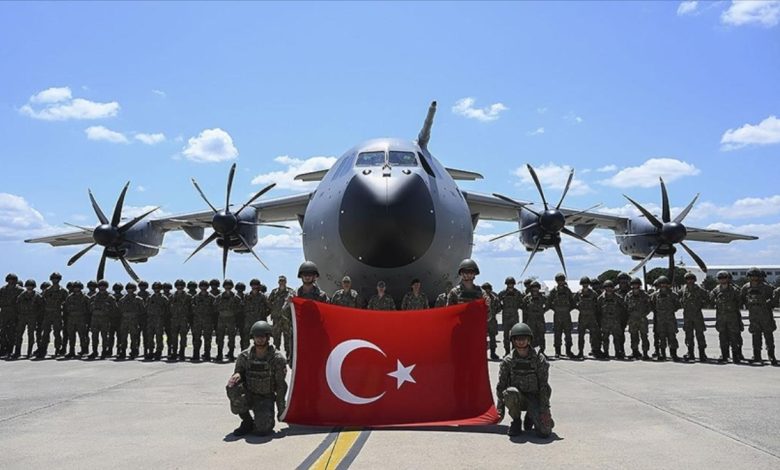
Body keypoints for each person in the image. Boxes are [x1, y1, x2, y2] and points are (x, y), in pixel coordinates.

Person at [226, 321, 288, 437]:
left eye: (263, 336)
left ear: (268, 337)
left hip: (266, 397)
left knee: (262, 430)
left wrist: (281, 410)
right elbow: (239, 371)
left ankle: (262, 419)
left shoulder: (277, 359)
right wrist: (237, 375)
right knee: (232, 387)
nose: (260, 339)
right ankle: (247, 421)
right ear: (253, 338)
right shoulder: (245, 356)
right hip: (249, 394)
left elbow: (281, 385)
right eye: (257, 336)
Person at [496, 322, 554, 438]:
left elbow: (543, 386)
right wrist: (500, 410)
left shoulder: (539, 359)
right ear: (513, 341)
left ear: (529, 340)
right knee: (509, 392)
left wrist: (544, 410)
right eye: (517, 339)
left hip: (535, 398)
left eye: (524, 338)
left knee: (544, 432)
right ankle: (516, 421)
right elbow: (501, 386)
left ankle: (531, 416)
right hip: (517, 399)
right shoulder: (508, 361)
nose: (521, 342)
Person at [741, 267, 776, 365]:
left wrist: (769, 304)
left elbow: (774, 298)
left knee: (768, 335)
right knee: (755, 336)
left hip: (765, 315)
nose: (754, 278)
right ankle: (757, 356)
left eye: (756, 276)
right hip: (753, 316)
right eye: (751, 276)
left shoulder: (766, 287)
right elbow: (742, 298)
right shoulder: (746, 287)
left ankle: (771, 355)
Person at [710, 271, 744, 364]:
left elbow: (740, 301)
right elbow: (711, 300)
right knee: (723, 337)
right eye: (720, 278)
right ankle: (724, 355)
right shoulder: (716, 290)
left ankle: (736, 356)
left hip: (733, 317)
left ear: (728, 278)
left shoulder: (735, 290)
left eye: (724, 277)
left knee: (734, 337)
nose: (722, 280)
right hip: (721, 318)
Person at [679, 272, 709, 362]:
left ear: (694, 280)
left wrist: (701, 304)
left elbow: (708, 298)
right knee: (688, 335)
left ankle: (702, 353)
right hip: (687, 316)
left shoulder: (699, 289)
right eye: (688, 279)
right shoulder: (683, 290)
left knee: (700, 335)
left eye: (691, 279)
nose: (690, 281)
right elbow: (677, 298)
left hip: (697, 316)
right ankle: (690, 353)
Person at [650, 276, 681, 361]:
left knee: (672, 337)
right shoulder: (655, 295)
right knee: (661, 337)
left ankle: (673, 354)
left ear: (667, 284)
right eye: (661, 284)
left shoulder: (673, 295)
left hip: (670, 320)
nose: (663, 285)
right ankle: (662, 354)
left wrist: (670, 311)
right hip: (660, 321)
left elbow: (678, 305)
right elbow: (651, 305)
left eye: (665, 284)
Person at [39, 272, 68, 358]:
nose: (55, 280)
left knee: (57, 333)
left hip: (57, 314)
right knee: (45, 333)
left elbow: (67, 302)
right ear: (51, 280)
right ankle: (43, 349)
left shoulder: (63, 291)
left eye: (57, 278)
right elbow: (41, 301)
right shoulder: (47, 290)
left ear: (59, 280)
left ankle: (57, 349)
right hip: (47, 314)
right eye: (54, 279)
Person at [14, 279, 43, 359]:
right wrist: (19, 314)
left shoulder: (37, 296)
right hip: (22, 317)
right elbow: (17, 304)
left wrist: (37, 315)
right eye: (28, 286)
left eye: (31, 286)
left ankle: (29, 352)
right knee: (19, 334)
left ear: (33, 287)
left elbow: (41, 307)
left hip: (32, 317)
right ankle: (17, 352)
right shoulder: (22, 295)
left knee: (31, 335)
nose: (29, 288)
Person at [548, 273, 575, 359]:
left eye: (562, 280)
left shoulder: (568, 290)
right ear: (556, 281)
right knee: (557, 334)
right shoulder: (553, 291)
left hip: (566, 315)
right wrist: (555, 309)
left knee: (568, 334)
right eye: (559, 280)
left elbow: (572, 302)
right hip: (557, 316)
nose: (561, 282)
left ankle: (568, 351)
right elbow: (549, 302)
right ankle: (557, 352)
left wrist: (567, 309)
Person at [624, 277, 652, 360]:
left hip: (642, 319)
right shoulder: (628, 295)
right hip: (632, 320)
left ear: (639, 285)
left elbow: (649, 306)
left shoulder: (645, 295)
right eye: (633, 285)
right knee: (633, 336)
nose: (635, 286)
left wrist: (643, 314)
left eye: (636, 285)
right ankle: (635, 352)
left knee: (644, 336)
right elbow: (625, 306)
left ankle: (645, 353)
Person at [215, 279, 242, 362]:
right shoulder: (219, 297)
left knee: (231, 338)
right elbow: (214, 307)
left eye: (229, 285)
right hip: (221, 318)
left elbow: (240, 308)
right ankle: (219, 354)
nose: (228, 287)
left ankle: (231, 354)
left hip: (231, 319)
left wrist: (234, 313)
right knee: (220, 337)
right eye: (226, 285)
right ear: (224, 286)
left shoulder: (236, 297)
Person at [598, 280, 626, 359]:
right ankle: (606, 352)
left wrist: (621, 319)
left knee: (617, 338)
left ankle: (617, 352)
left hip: (615, 321)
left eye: (610, 287)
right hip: (605, 321)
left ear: (613, 288)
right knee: (605, 338)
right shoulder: (601, 298)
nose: (609, 289)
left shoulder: (618, 297)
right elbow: (598, 310)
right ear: (604, 288)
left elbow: (624, 308)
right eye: (607, 287)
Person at [574, 277, 601, 359]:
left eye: (586, 283)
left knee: (594, 335)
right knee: (581, 336)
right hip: (582, 317)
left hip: (592, 317)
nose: (585, 285)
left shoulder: (593, 293)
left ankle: (595, 351)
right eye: (583, 284)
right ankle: (580, 352)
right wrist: (578, 307)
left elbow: (598, 303)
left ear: (589, 284)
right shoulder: (578, 293)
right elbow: (573, 302)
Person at [89, 280, 117, 359]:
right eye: (100, 286)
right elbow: (89, 308)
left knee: (105, 336)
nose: (102, 287)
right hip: (95, 319)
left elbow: (114, 309)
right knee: (94, 336)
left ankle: (104, 351)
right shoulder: (94, 297)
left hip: (105, 320)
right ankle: (94, 351)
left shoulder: (110, 297)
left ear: (106, 287)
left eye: (104, 286)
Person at [241, 279, 271, 350]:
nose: (254, 287)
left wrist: (264, 314)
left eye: (256, 285)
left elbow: (269, 307)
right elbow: (242, 307)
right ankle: (245, 353)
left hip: (260, 322)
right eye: (253, 285)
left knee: (262, 338)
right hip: (248, 321)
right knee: (246, 339)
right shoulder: (247, 296)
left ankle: (263, 353)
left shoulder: (263, 297)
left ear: (258, 286)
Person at [117, 282, 145, 360]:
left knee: (134, 337)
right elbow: (119, 310)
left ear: (134, 289)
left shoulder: (139, 299)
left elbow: (142, 310)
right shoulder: (122, 299)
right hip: (124, 320)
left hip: (134, 321)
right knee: (123, 337)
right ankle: (123, 351)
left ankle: (133, 351)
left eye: (132, 288)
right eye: (128, 289)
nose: (130, 290)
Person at [268, 275, 294, 358]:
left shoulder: (290, 292)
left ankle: (289, 356)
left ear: (286, 282)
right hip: (276, 319)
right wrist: (274, 310)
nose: (282, 282)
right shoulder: (274, 292)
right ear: (278, 282)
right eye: (280, 281)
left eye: (283, 281)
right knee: (276, 338)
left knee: (287, 339)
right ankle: (276, 356)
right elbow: (269, 302)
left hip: (286, 319)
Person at [63, 281, 90, 358]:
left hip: (81, 319)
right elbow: (66, 308)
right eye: (75, 287)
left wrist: (88, 320)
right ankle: (71, 351)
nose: (76, 289)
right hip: (71, 319)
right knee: (71, 336)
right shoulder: (69, 297)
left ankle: (83, 350)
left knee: (82, 336)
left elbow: (89, 308)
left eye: (78, 287)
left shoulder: (85, 297)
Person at [498, 277, 523, 357]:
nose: (510, 285)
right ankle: (507, 351)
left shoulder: (518, 293)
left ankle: (514, 351)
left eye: (511, 284)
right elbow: (497, 301)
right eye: (509, 284)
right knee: (506, 336)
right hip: (506, 317)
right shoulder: (502, 293)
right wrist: (501, 307)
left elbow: (522, 302)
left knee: (515, 335)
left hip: (514, 317)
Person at [0, 274, 24, 358]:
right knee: (2, 332)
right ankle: (3, 348)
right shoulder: (3, 289)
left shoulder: (20, 290)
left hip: (15, 314)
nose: (11, 281)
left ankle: (10, 349)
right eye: (9, 279)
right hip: (4, 313)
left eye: (13, 280)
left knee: (12, 333)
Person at [191, 280, 215, 362]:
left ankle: (207, 354)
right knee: (196, 338)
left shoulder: (211, 297)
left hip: (208, 321)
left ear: (207, 287)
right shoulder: (195, 297)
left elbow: (215, 309)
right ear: (199, 287)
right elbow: (191, 308)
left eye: (205, 286)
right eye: (202, 286)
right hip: (197, 320)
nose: (203, 288)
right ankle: (196, 354)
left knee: (207, 338)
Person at [169, 279, 192, 361]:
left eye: (181, 285)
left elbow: (191, 309)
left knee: (183, 337)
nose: (179, 287)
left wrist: (189, 320)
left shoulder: (188, 297)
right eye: (178, 285)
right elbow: (168, 309)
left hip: (184, 320)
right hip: (174, 320)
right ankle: (174, 352)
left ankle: (182, 352)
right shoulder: (172, 296)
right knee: (174, 337)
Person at [145, 282, 169, 360]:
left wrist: (164, 318)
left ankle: (158, 352)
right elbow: (146, 308)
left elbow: (168, 309)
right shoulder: (150, 298)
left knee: (159, 337)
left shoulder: (164, 298)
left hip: (159, 320)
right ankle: (150, 351)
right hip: (150, 320)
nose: (156, 290)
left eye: (158, 288)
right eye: (155, 288)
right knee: (150, 337)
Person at [522, 281, 547, 354]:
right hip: (531, 321)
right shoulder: (527, 298)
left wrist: (543, 311)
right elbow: (524, 309)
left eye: (536, 287)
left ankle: (541, 352)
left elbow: (548, 304)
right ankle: (532, 353)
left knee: (541, 337)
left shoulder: (543, 297)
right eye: (533, 288)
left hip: (540, 320)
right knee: (531, 337)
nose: (535, 289)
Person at [482, 282, 501, 360]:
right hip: (482, 321)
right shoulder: (480, 298)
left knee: (492, 338)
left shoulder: (494, 298)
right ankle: (482, 354)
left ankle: (493, 353)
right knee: (482, 338)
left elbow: (499, 308)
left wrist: (492, 313)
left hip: (492, 321)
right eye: (485, 289)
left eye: (488, 289)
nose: (487, 291)